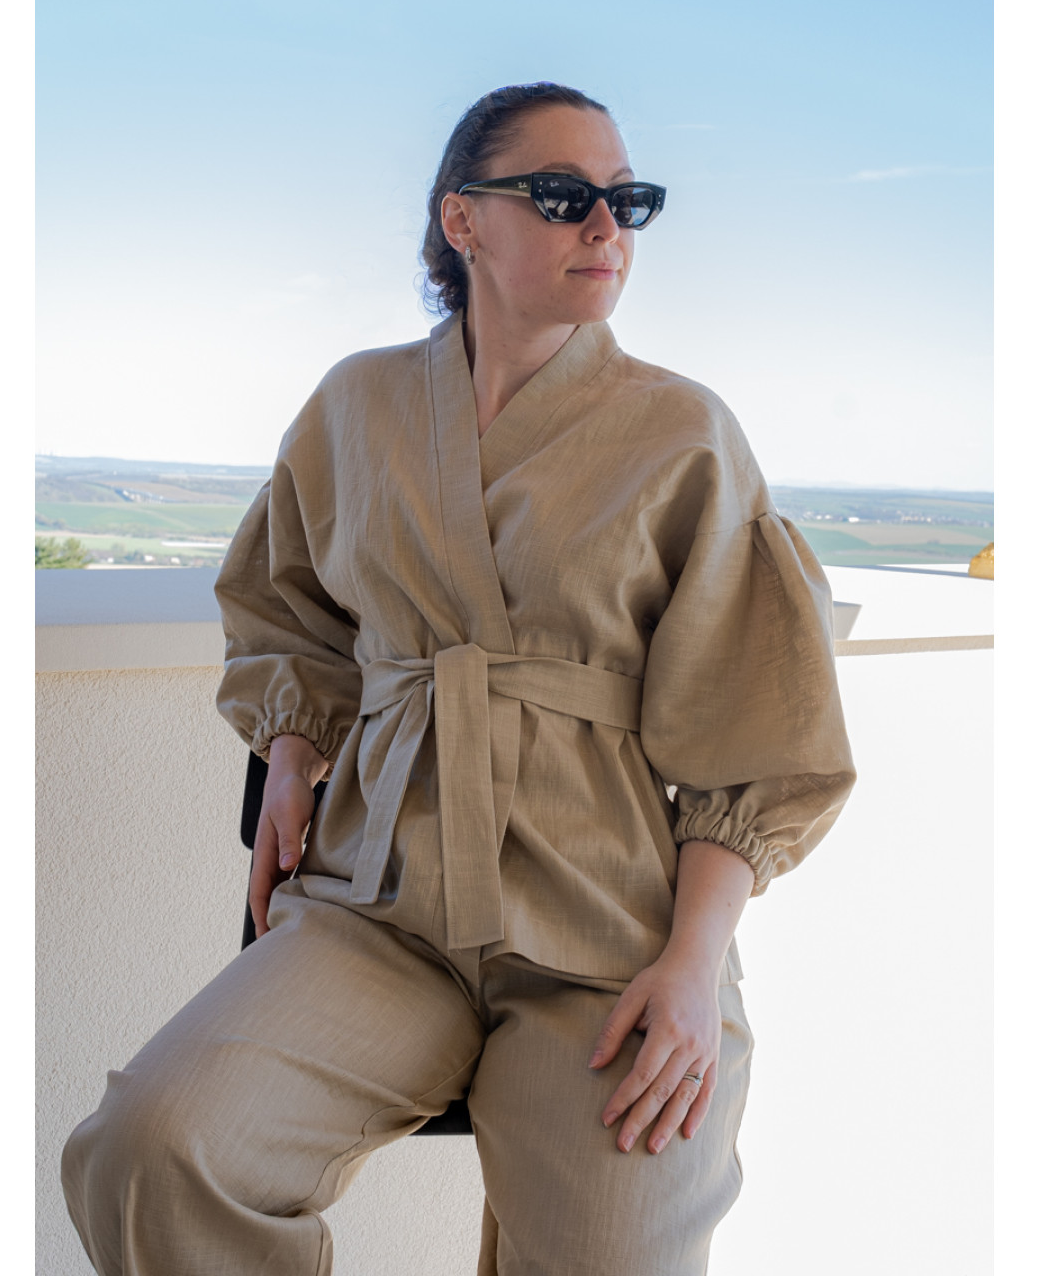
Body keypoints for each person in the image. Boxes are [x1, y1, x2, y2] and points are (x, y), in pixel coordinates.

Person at [61, 81, 855, 1276]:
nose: (607, 225)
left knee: (614, 1254)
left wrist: (693, 966)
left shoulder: (685, 433)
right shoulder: (356, 406)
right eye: (564, 195)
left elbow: (758, 733)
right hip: (381, 907)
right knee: (155, 1148)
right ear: (462, 219)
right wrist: (293, 748)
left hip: (609, 929)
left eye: (629, 199)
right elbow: (287, 603)